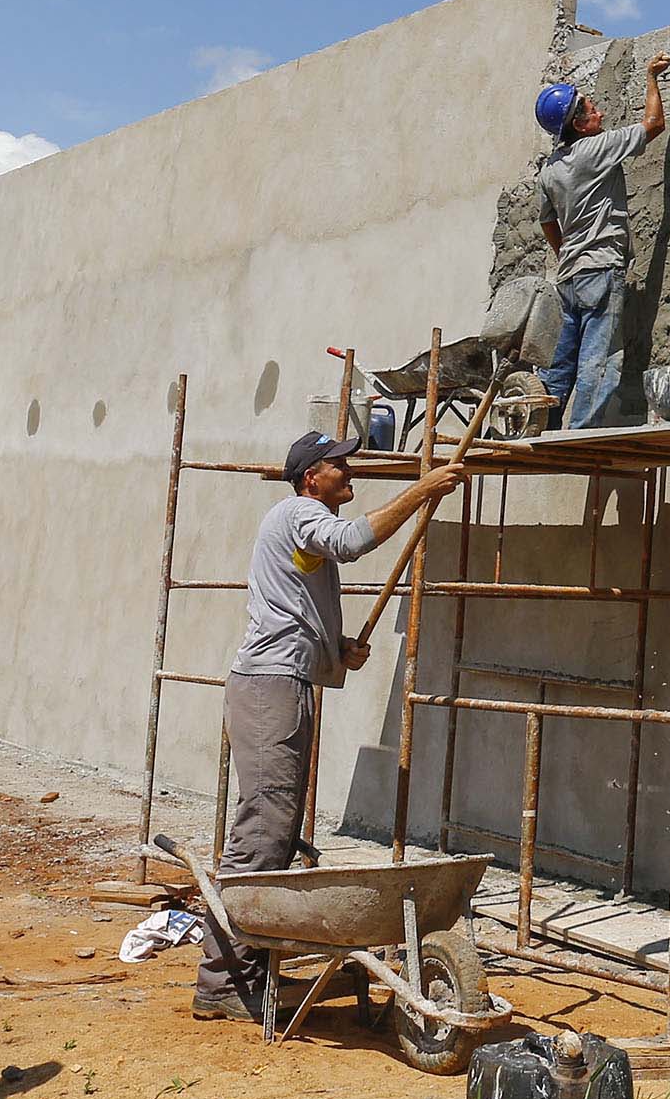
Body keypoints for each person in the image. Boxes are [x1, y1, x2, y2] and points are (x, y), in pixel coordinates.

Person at [194, 429, 471, 1020]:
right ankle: (222, 983)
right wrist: (423, 489)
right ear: (310, 477)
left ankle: (246, 970)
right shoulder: (300, 512)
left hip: (280, 684)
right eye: (338, 465)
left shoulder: (300, 527)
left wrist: (335, 646)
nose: (350, 472)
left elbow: (293, 606)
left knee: (276, 825)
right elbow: (350, 543)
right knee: (264, 830)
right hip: (269, 689)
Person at [531, 52, 670, 430]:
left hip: (569, 276)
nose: (601, 114)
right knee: (599, 358)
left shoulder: (549, 170)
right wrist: (651, 76)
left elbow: (547, 221)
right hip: (601, 269)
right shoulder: (595, 150)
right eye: (593, 111)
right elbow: (654, 124)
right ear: (578, 124)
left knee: (560, 362)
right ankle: (581, 435)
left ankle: (544, 427)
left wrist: (567, 253)